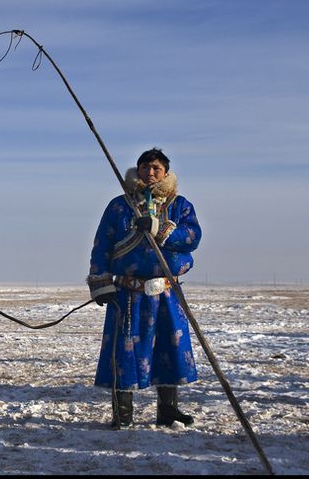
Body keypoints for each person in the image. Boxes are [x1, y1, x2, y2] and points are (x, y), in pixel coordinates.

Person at [87, 147, 202, 429]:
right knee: (124, 353)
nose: (150, 173)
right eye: (145, 168)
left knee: (170, 348)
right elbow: (102, 243)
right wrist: (100, 282)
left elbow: (193, 237)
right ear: (137, 171)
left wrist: (160, 229)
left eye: (156, 168)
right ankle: (122, 414)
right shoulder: (120, 206)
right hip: (128, 293)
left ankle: (168, 410)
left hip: (165, 292)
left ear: (165, 173)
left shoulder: (180, 205)